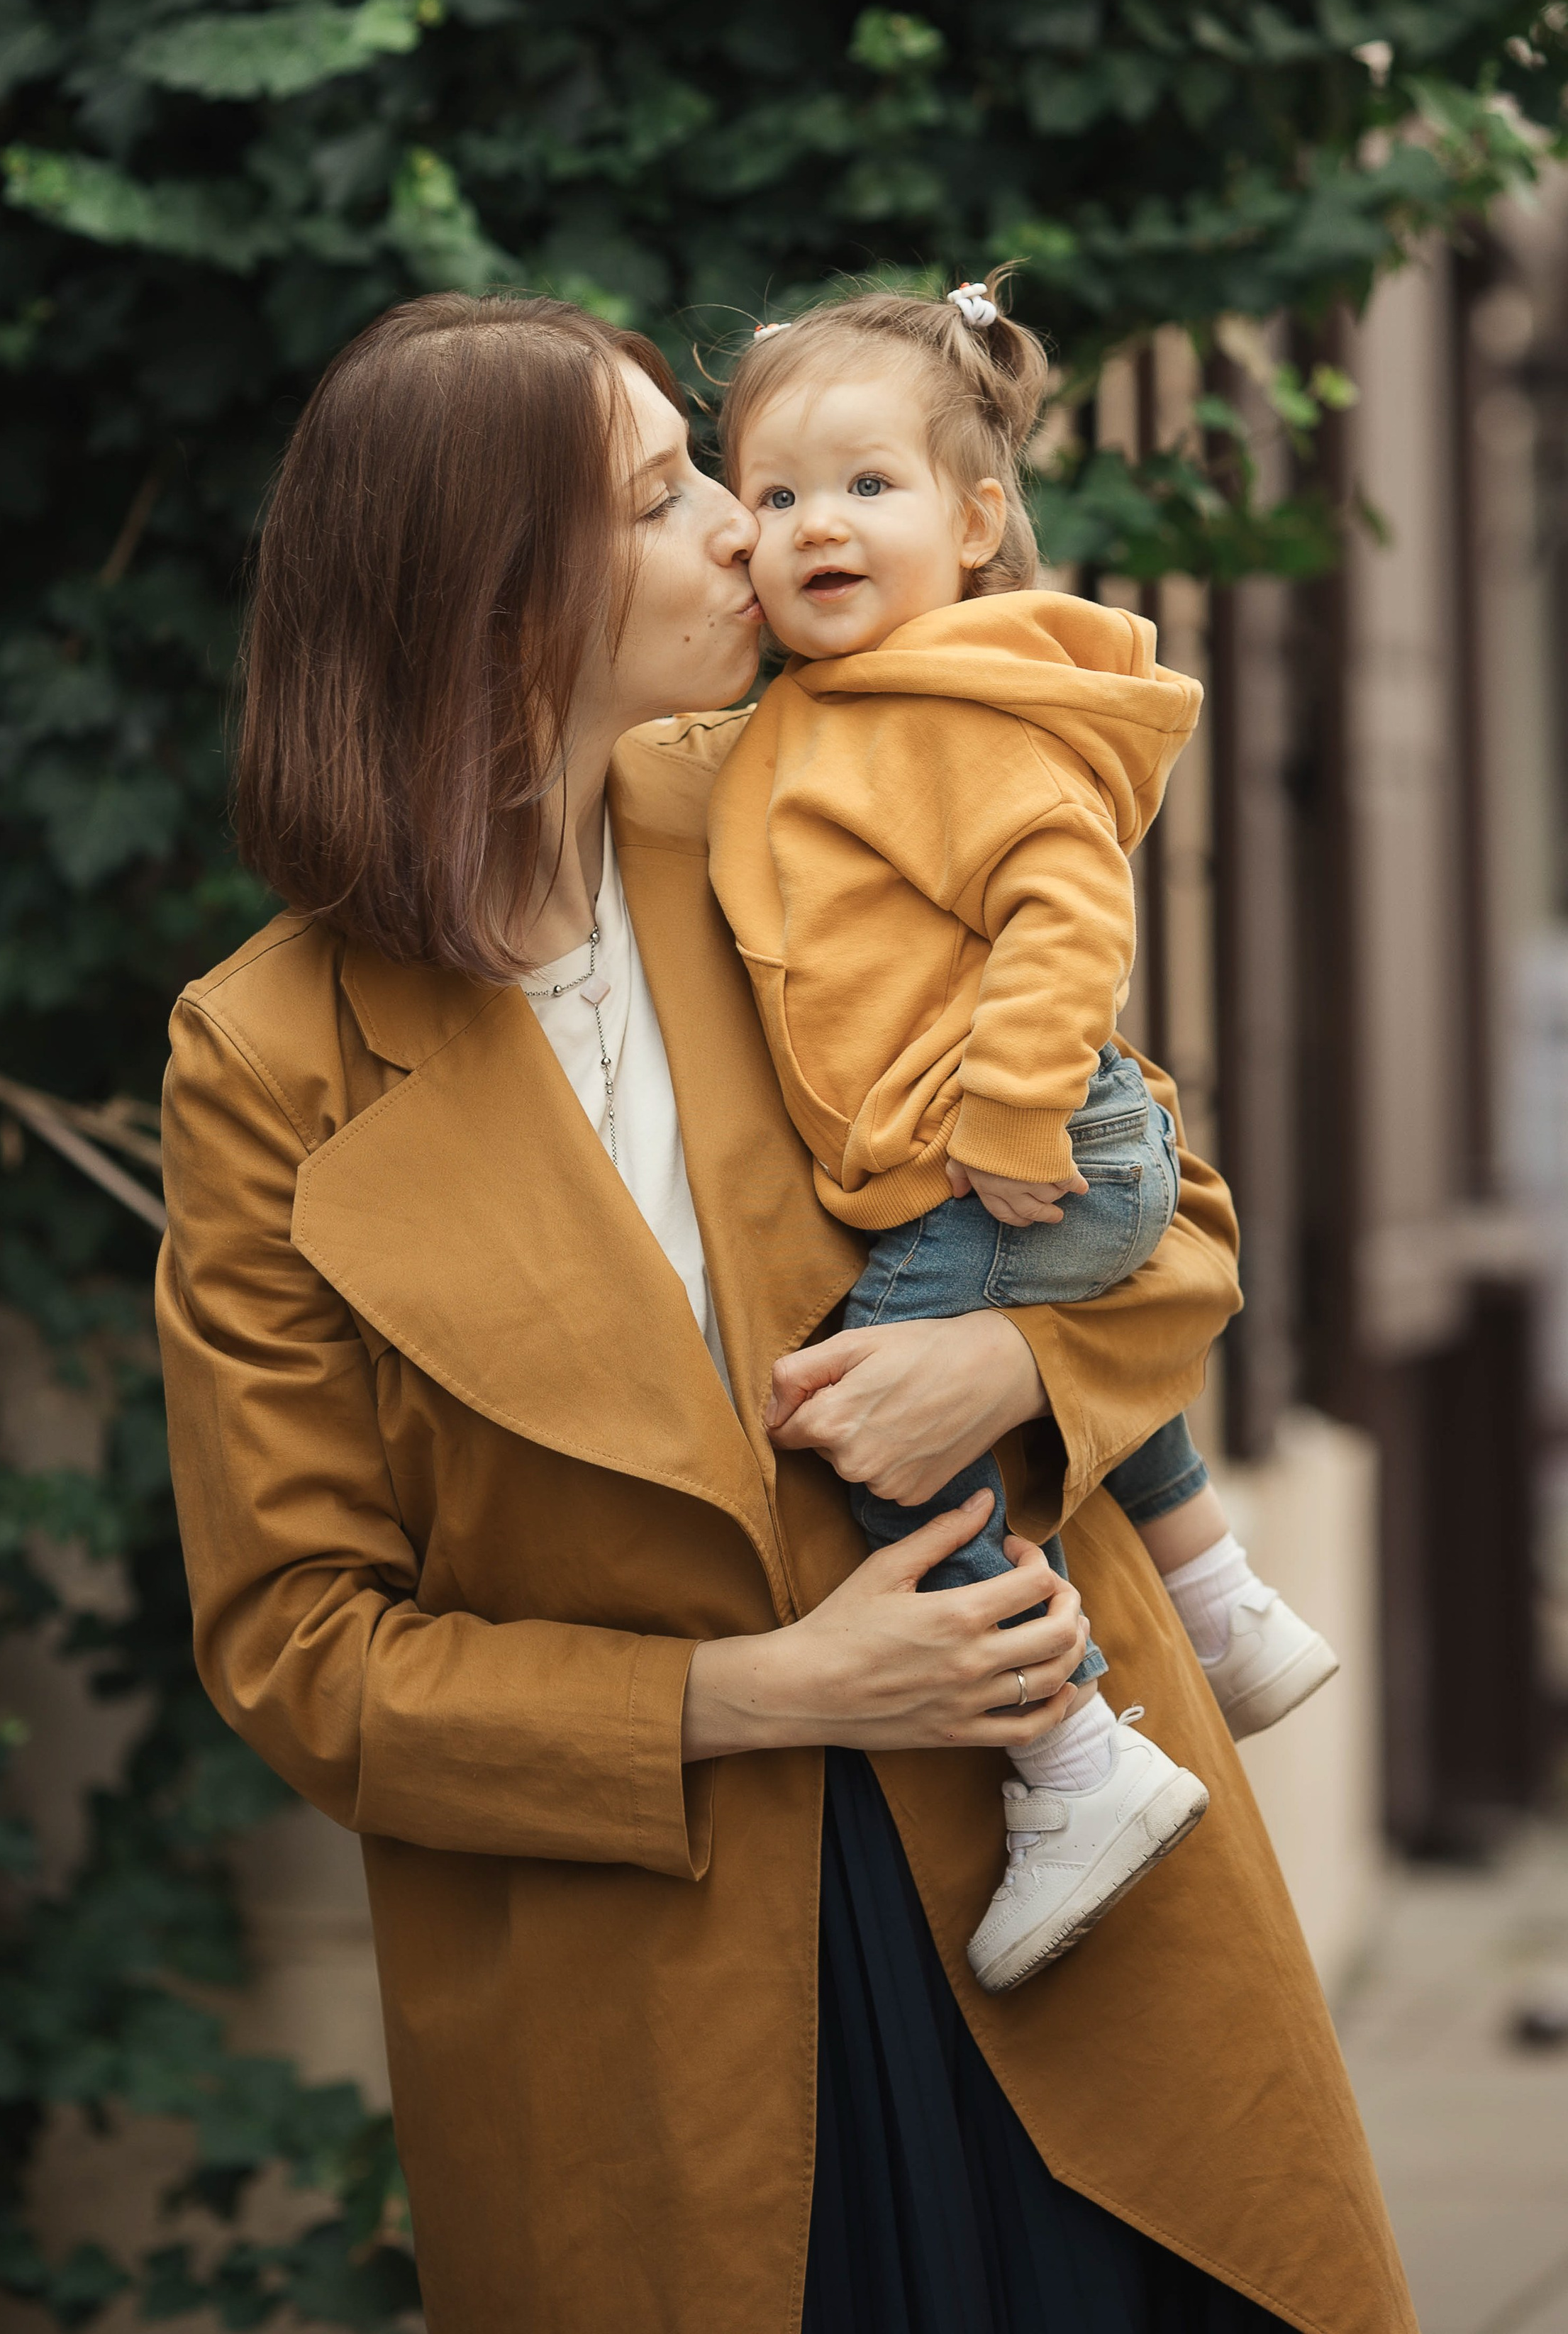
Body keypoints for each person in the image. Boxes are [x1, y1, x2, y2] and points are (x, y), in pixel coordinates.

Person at [155, 291, 1415, 2334]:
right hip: (649, 2025)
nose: (748, 529)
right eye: (666, 498)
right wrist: (782, 1689)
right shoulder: (266, 1055)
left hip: (1058, 1885)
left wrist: (1001, 1359)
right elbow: (305, 1655)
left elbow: (1157, 1209)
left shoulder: (818, 798)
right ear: (501, 606)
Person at [707, 281, 1337, 1994]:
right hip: (1033, 1132)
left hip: (1025, 1133)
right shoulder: (837, 711)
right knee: (988, 1365)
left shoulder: (940, 707)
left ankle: (1071, 1758)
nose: (808, 526)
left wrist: (998, 1113)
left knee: (867, 1412)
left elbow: (1068, 901)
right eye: (769, 496)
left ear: (978, 522)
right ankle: (1217, 1602)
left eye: (864, 486)